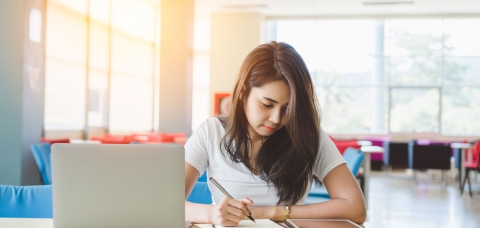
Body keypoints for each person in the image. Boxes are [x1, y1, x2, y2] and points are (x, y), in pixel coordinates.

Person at [184, 41, 366, 226]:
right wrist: (211, 213)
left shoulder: (308, 136)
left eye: (288, 109)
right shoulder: (211, 132)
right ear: (243, 91)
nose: (276, 119)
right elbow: (166, 203)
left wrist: (273, 212)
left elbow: (356, 210)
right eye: (267, 104)